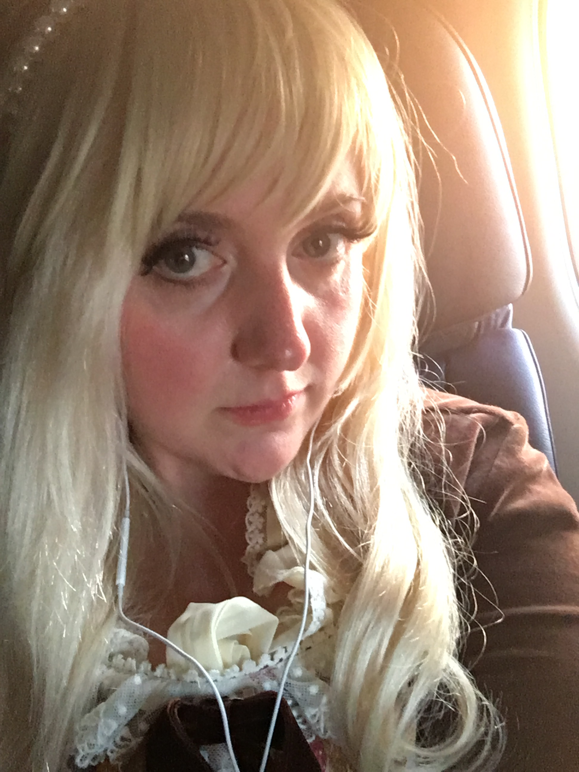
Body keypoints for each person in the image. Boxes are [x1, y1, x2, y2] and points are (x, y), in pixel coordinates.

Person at [1, 0, 578, 771]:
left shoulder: (481, 486)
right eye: (184, 256)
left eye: (323, 239)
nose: (286, 342)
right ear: (58, 275)